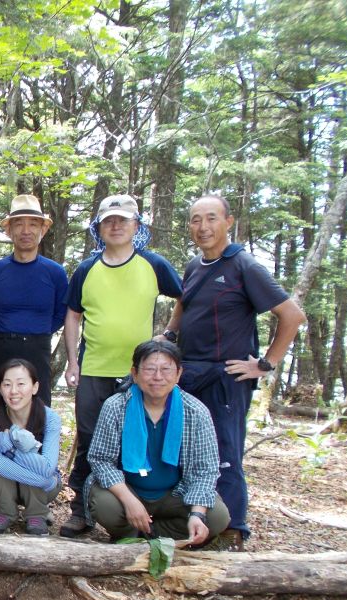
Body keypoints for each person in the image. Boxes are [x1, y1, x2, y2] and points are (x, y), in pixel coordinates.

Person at [160, 194, 305, 549]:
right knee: (186, 448)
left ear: (229, 221)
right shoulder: (196, 265)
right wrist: (168, 334)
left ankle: (232, 529)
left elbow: (292, 316)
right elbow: (184, 302)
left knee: (224, 451)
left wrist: (265, 364)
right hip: (189, 372)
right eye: (196, 219)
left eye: (211, 218)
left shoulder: (243, 266)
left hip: (226, 377)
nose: (203, 227)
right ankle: (194, 521)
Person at [60, 193, 182, 537]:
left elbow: (184, 297)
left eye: (123, 221)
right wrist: (73, 362)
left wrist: (168, 335)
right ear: (98, 228)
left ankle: (137, 510)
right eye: (108, 221)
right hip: (94, 368)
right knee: (89, 441)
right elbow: (73, 314)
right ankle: (81, 511)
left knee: (137, 438)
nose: (115, 226)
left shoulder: (153, 265)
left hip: (142, 375)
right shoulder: (86, 269)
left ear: (136, 226)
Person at [86, 340, 230, 545]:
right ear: (134, 373)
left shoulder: (196, 411)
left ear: (178, 373)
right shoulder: (116, 406)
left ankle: (151, 534)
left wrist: (198, 515)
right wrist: (130, 501)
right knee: (105, 506)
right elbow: (101, 460)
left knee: (217, 517)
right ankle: (128, 533)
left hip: (175, 493)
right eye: (150, 369)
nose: (158, 377)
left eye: (166, 370)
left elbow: (205, 470)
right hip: (130, 489)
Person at [0, 195, 67, 408]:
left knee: (38, 410)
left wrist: (35, 331)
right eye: (19, 224)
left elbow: (60, 314)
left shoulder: (55, 273)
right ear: (9, 230)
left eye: (33, 224)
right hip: (1, 346)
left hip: (39, 348)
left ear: (42, 230)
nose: (26, 231)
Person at [0, 359, 63, 535]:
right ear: (0, 388)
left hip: (45, 488)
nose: (14, 391)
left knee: (37, 467)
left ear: (34, 387)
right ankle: (5, 512)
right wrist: (39, 476)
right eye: (7, 384)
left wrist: (11, 449)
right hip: (18, 482)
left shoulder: (51, 418)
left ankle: (37, 514)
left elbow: (48, 468)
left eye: (21, 384)